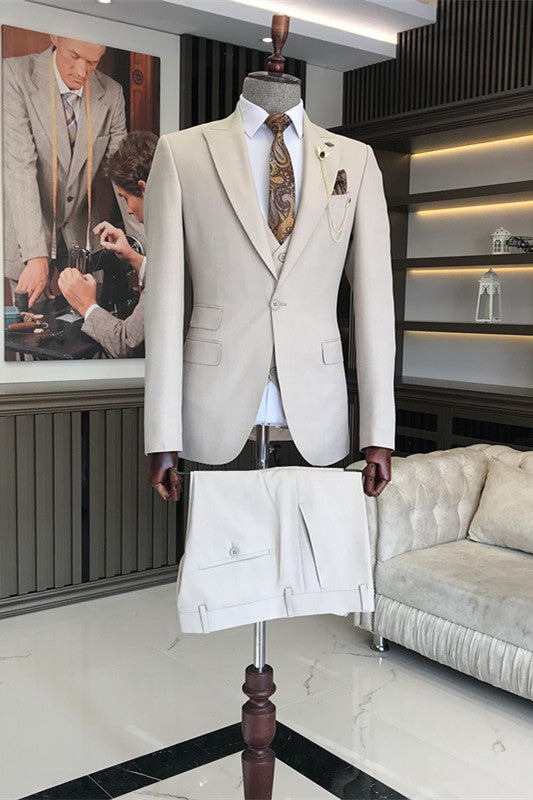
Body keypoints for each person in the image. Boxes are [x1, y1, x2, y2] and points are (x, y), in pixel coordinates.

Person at [3, 35, 127, 307]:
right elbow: (19, 166)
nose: (82, 72)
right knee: (33, 329)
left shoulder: (112, 93)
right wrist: (35, 255)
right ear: (55, 38)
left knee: (91, 327)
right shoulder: (13, 74)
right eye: (74, 56)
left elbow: (125, 174)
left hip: (84, 240)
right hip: (29, 237)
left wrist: (144, 254)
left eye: (93, 62)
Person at [58, 131, 158, 358]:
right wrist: (133, 258)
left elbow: (126, 342)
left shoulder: (167, 244)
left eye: (125, 198)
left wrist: (86, 305)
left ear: (143, 189)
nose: (128, 210)